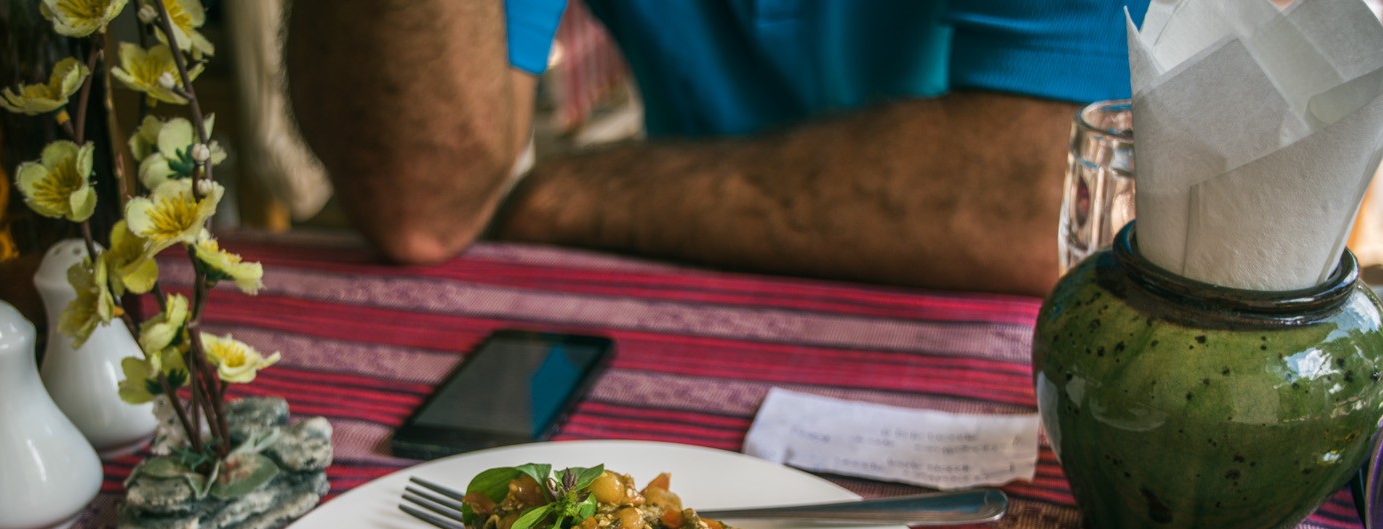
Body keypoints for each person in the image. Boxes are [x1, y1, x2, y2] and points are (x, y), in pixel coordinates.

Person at [286, 1, 1148, 296]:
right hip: (666, 299)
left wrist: (567, 197)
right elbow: (420, 196)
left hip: (981, 357)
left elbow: (1051, 190)